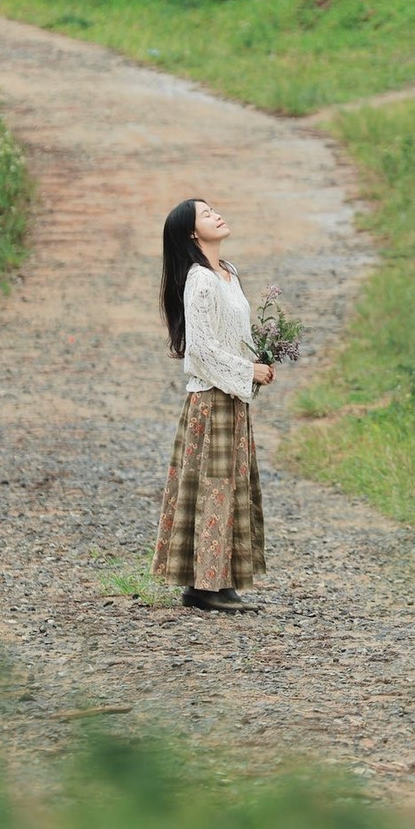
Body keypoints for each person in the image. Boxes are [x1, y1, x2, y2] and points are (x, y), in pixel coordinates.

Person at [152, 198, 273, 612]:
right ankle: (203, 586)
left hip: (232, 396)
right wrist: (248, 371)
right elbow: (202, 351)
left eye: (214, 210)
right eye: (205, 215)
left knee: (231, 486)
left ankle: (220, 581)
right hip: (211, 399)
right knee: (213, 487)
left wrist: (259, 362)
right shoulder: (199, 280)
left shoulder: (228, 273)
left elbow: (232, 334)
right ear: (192, 233)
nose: (217, 214)